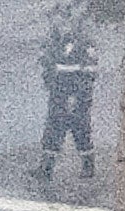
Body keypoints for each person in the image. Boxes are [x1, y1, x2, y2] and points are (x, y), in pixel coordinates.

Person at [36, 9, 102, 188]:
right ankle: (46, 167)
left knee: (79, 128)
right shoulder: (54, 42)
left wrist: (76, 93)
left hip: (76, 94)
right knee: (53, 128)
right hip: (58, 93)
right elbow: (47, 64)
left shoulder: (85, 45)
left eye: (62, 23)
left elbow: (89, 72)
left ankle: (88, 165)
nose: (59, 27)